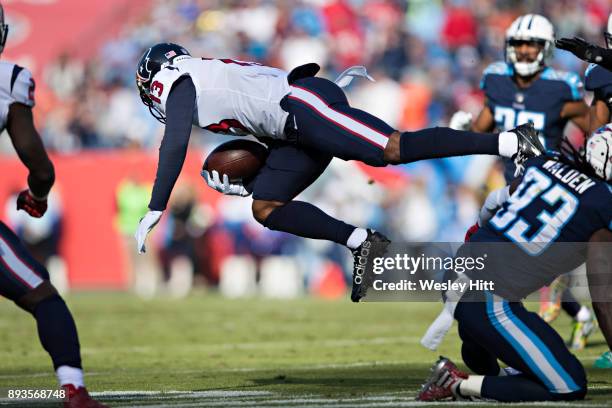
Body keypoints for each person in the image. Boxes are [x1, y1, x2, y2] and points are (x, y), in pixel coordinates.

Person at [133, 43, 544, 303]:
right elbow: (256, 120)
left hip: (305, 104)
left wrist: (156, 206)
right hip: (289, 131)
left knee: (393, 148)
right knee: (266, 205)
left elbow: (174, 142)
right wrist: (249, 182)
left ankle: (509, 142)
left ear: (158, 77)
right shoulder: (203, 79)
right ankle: (362, 241)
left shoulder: (182, 81)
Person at [417, 125, 612, 402]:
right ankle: (454, 383)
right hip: (490, 300)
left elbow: (497, 198)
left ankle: (476, 339)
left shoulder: (546, 164)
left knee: (487, 360)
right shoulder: (603, 204)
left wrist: (477, 230)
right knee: (569, 384)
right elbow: (604, 302)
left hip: (459, 270)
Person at [449, 14, 593, 347]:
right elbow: (483, 129)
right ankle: (578, 315)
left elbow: (594, 125)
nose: (525, 51)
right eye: (519, 44)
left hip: (545, 187)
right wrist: (466, 126)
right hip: (511, 184)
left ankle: (513, 327)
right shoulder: (497, 81)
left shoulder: (559, 87)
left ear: (544, 49)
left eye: (532, 45)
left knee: (508, 256)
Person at [0, 5, 106, 408]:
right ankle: (73, 390)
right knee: (43, 298)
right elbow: (38, 164)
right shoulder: (8, 78)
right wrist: (38, 196)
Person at [557, 13, 612, 367]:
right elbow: (597, 124)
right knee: (602, 269)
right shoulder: (602, 75)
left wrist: (596, 55)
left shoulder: (600, 62)